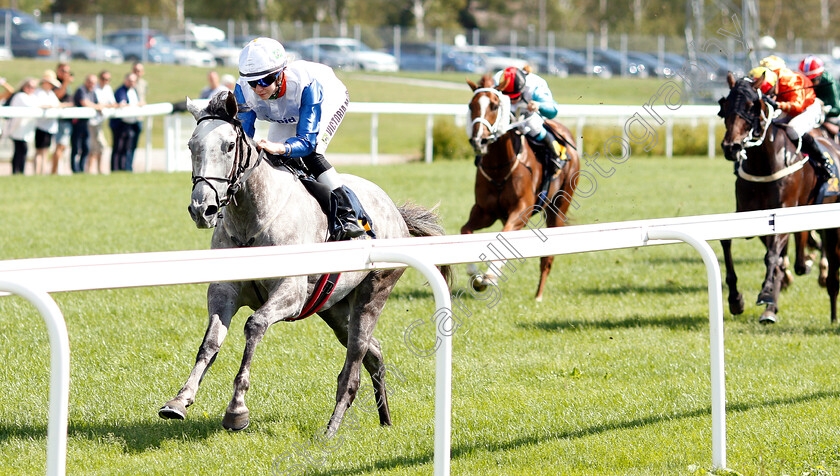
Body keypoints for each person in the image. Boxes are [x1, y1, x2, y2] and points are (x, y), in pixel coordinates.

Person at [234, 37, 370, 241]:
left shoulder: (307, 83)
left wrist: (280, 147)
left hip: (326, 98)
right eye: (253, 82)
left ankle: (346, 213)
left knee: (312, 154)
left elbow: (307, 142)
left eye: (265, 80)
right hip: (285, 110)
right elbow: (243, 140)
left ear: (281, 73)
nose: (259, 88)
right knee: (273, 160)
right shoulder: (243, 91)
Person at [493, 65, 567, 192]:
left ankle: (556, 155)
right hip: (504, 110)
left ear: (522, 89)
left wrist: (539, 105)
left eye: (514, 97)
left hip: (528, 113)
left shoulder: (535, 86)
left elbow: (553, 110)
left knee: (533, 126)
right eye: (510, 97)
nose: (512, 101)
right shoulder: (497, 80)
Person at [759, 55, 833, 180]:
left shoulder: (790, 80)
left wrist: (777, 104)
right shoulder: (769, 80)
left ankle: (823, 161)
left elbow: (798, 106)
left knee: (792, 129)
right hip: (787, 109)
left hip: (808, 107)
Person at [5, 78, 39, 174]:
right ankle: (17, 171)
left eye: (33, 87)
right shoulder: (20, 96)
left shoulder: (32, 97)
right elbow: (30, 106)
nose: (31, 89)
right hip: (17, 129)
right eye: (29, 86)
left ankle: (19, 171)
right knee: (21, 150)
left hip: (25, 130)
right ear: (24, 86)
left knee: (21, 151)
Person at [799, 55, 840, 131]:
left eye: (812, 80)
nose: (809, 84)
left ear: (820, 76)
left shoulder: (829, 81)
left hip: (832, 112)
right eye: (805, 80)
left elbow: (837, 110)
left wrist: (823, 110)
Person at [33, 70, 62, 175]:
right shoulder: (39, 93)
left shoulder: (50, 94)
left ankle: (43, 171)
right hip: (41, 125)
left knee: (46, 151)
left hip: (50, 126)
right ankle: (37, 172)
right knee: (39, 150)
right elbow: (39, 105)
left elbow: (57, 104)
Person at [110, 73, 140, 172]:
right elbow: (122, 104)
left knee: (127, 147)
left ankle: (125, 168)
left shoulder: (134, 90)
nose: (132, 83)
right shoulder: (121, 90)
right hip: (120, 123)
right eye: (130, 80)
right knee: (118, 147)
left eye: (134, 81)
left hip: (131, 123)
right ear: (125, 80)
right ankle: (115, 169)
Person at [88, 70, 116, 174]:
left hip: (100, 122)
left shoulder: (108, 89)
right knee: (96, 146)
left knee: (98, 147)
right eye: (104, 79)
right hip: (92, 122)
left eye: (108, 79)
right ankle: (90, 169)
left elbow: (112, 103)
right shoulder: (95, 89)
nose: (106, 81)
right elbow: (97, 104)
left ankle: (98, 169)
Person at [70, 74, 100, 174]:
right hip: (77, 123)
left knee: (85, 147)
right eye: (90, 82)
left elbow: (97, 103)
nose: (92, 84)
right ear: (86, 81)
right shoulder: (81, 90)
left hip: (86, 123)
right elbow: (84, 102)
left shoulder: (92, 91)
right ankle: (75, 169)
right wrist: (96, 107)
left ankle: (82, 169)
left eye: (94, 83)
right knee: (76, 147)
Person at [52, 62, 74, 174]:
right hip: (59, 119)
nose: (66, 74)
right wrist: (65, 83)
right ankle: (54, 171)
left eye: (68, 72)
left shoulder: (66, 84)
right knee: (59, 146)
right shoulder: (56, 83)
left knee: (63, 146)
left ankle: (58, 170)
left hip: (67, 118)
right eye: (63, 71)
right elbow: (57, 96)